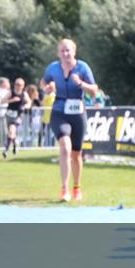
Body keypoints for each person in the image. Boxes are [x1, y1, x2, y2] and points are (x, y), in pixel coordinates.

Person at [43, 39, 100, 202]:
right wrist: (47, 88)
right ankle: (64, 189)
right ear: (58, 53)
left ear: (74, 52)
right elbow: (44, 82)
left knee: (76, 154)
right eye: (62, 51)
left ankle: (77, 187)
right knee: (65, 148)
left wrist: (81, 83)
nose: (65, 54)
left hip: (78, 113)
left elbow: (94, 91)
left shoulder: (83, 67)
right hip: (59, 111)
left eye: (68, 50)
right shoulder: (53, 68)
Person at [0, 77, 30, 159]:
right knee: (11, 133)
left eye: (19, 85)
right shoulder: (11, 92)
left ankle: (5, 150)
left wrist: (25, 106)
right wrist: (11, 100)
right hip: (9, 115)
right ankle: (15, 144)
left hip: (18, 116)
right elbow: (2, 101)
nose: (17, 86)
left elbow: (29, 102)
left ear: (23, 86)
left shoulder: (24, 94)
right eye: (16, 84)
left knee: (11, 130)